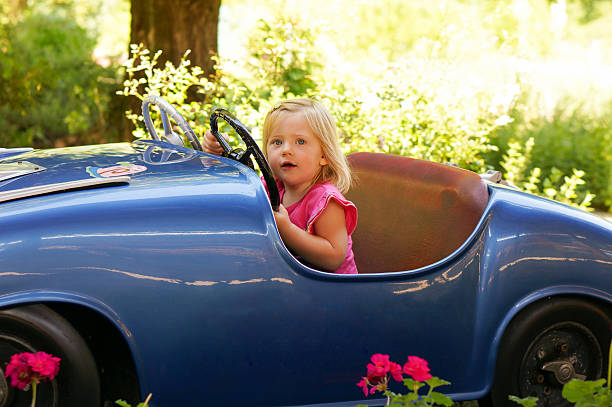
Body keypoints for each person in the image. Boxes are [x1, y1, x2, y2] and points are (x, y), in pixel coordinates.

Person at [202, 99, 358, 274]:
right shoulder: (270, 187)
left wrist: (287, 230)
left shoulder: (327, 201)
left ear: (324, 155)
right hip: (284, 279)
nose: (286, 150)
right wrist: (215, 156)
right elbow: (235, 194)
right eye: (277, 142)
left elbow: (333, 258)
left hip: (329, 292)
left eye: (300, 142)